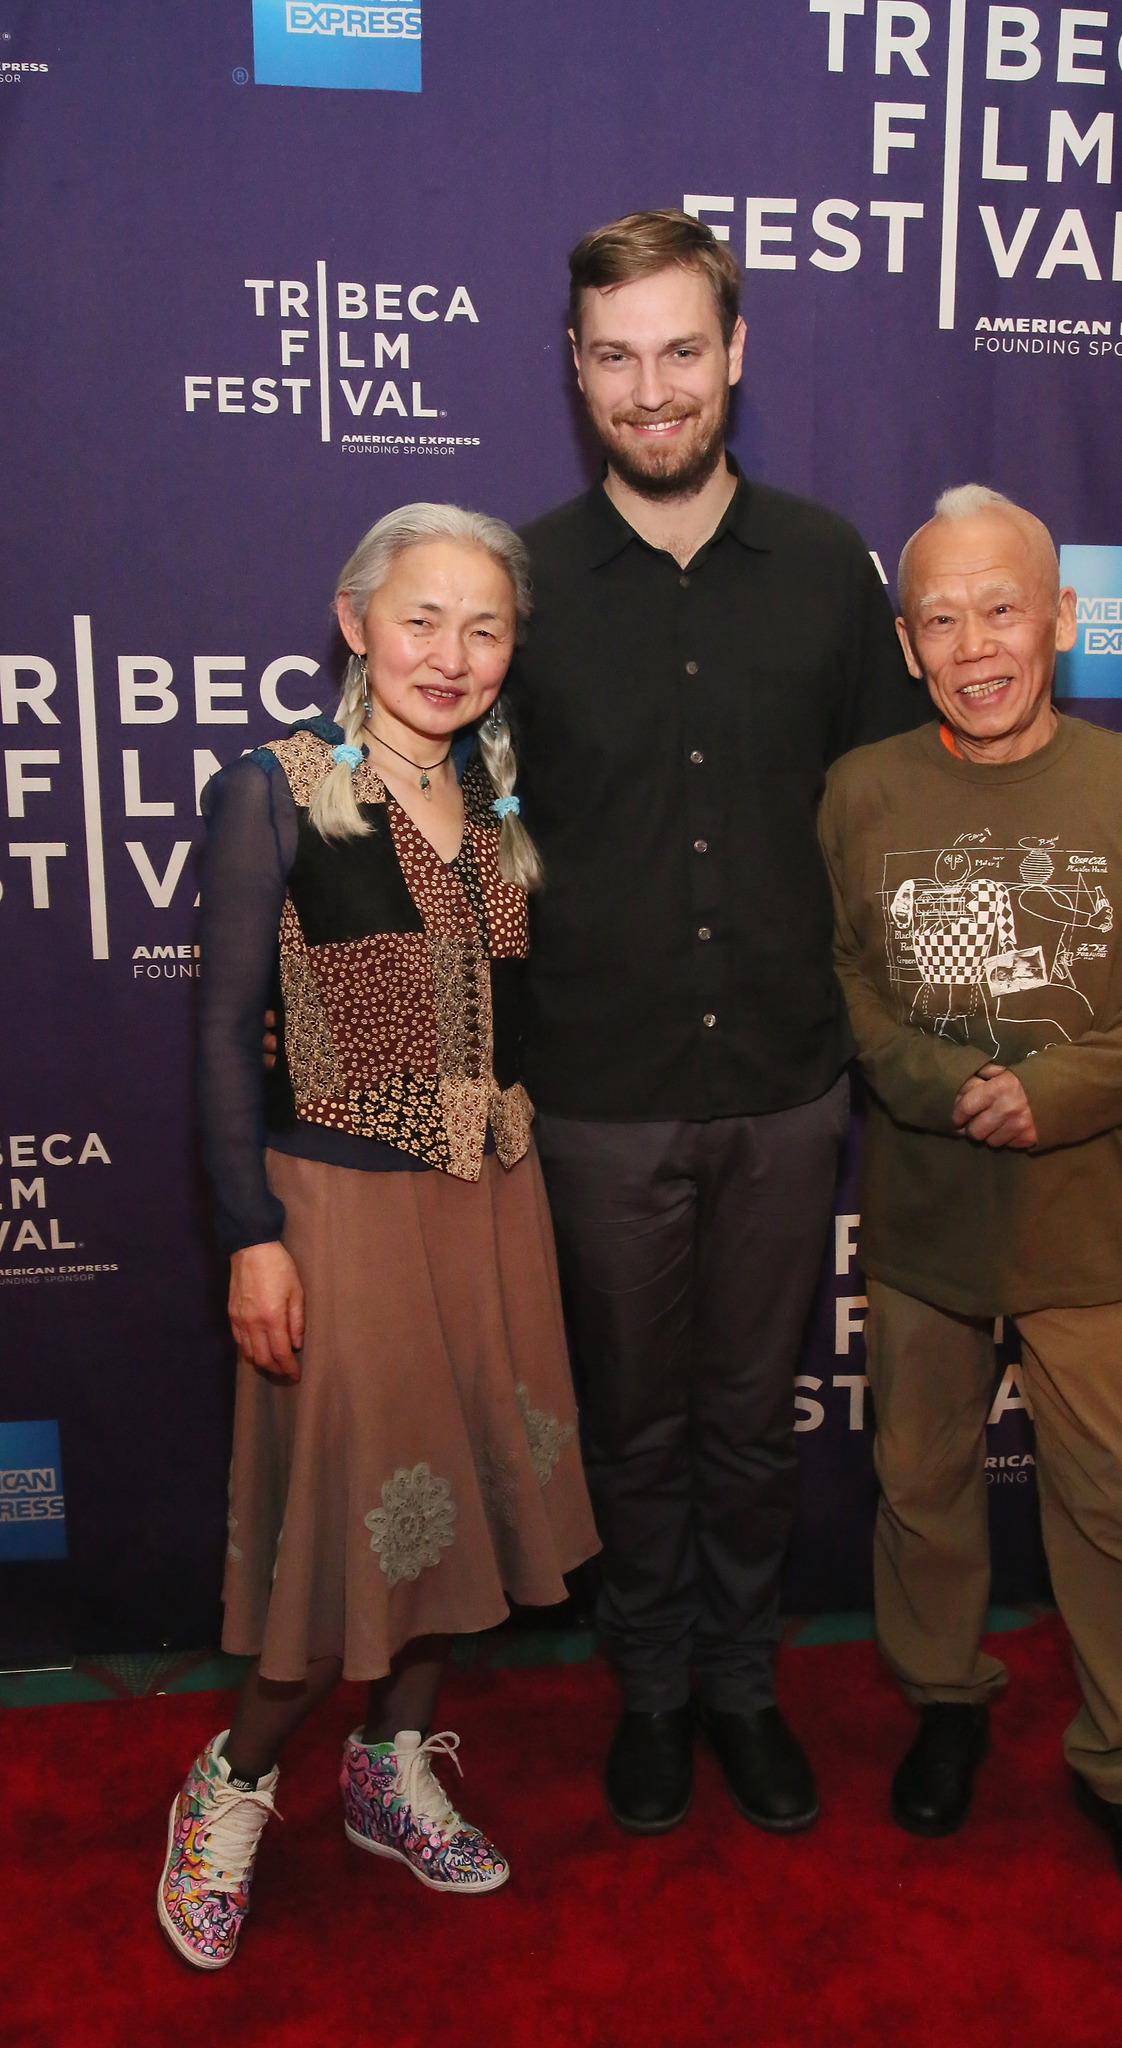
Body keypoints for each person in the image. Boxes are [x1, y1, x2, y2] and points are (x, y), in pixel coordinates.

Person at [507, 209, 929, 1835]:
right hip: (595, 1090)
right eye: (616, 356)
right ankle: (650, 1688)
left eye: (682, 350)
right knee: (631, 1420)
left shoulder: (827, 565)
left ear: (735, 353)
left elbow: (895, 826)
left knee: (753, 1417)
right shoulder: (522, 584)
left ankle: (742, 1685)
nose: (652, 388)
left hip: (778, 1083)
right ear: (574, 368)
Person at [159, 503, 598, 1970]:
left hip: (493, 1205)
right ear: (354, 623)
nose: (451, 654)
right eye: (422, 618)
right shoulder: (272, 790)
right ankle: (230, 1785)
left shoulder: (498, 809)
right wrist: (250, 1234)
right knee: (342, 1538)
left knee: (461, 1507)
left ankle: (385, 1767)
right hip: (334, 1208)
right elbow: (224, 1032)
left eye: (485, 628)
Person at [818, 484, 1122, 1915]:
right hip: (926, 1228)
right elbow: (843, 983)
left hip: (1082, 1231)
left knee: (1113, 1510)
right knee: (920, 1489)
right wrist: (935, 1079)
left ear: (1061, 618)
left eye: (1001, 609)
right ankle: (945, 1699)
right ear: (905, 643)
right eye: (939, 619)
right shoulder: (860, 791)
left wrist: (1050, 1093)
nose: (974, 645)